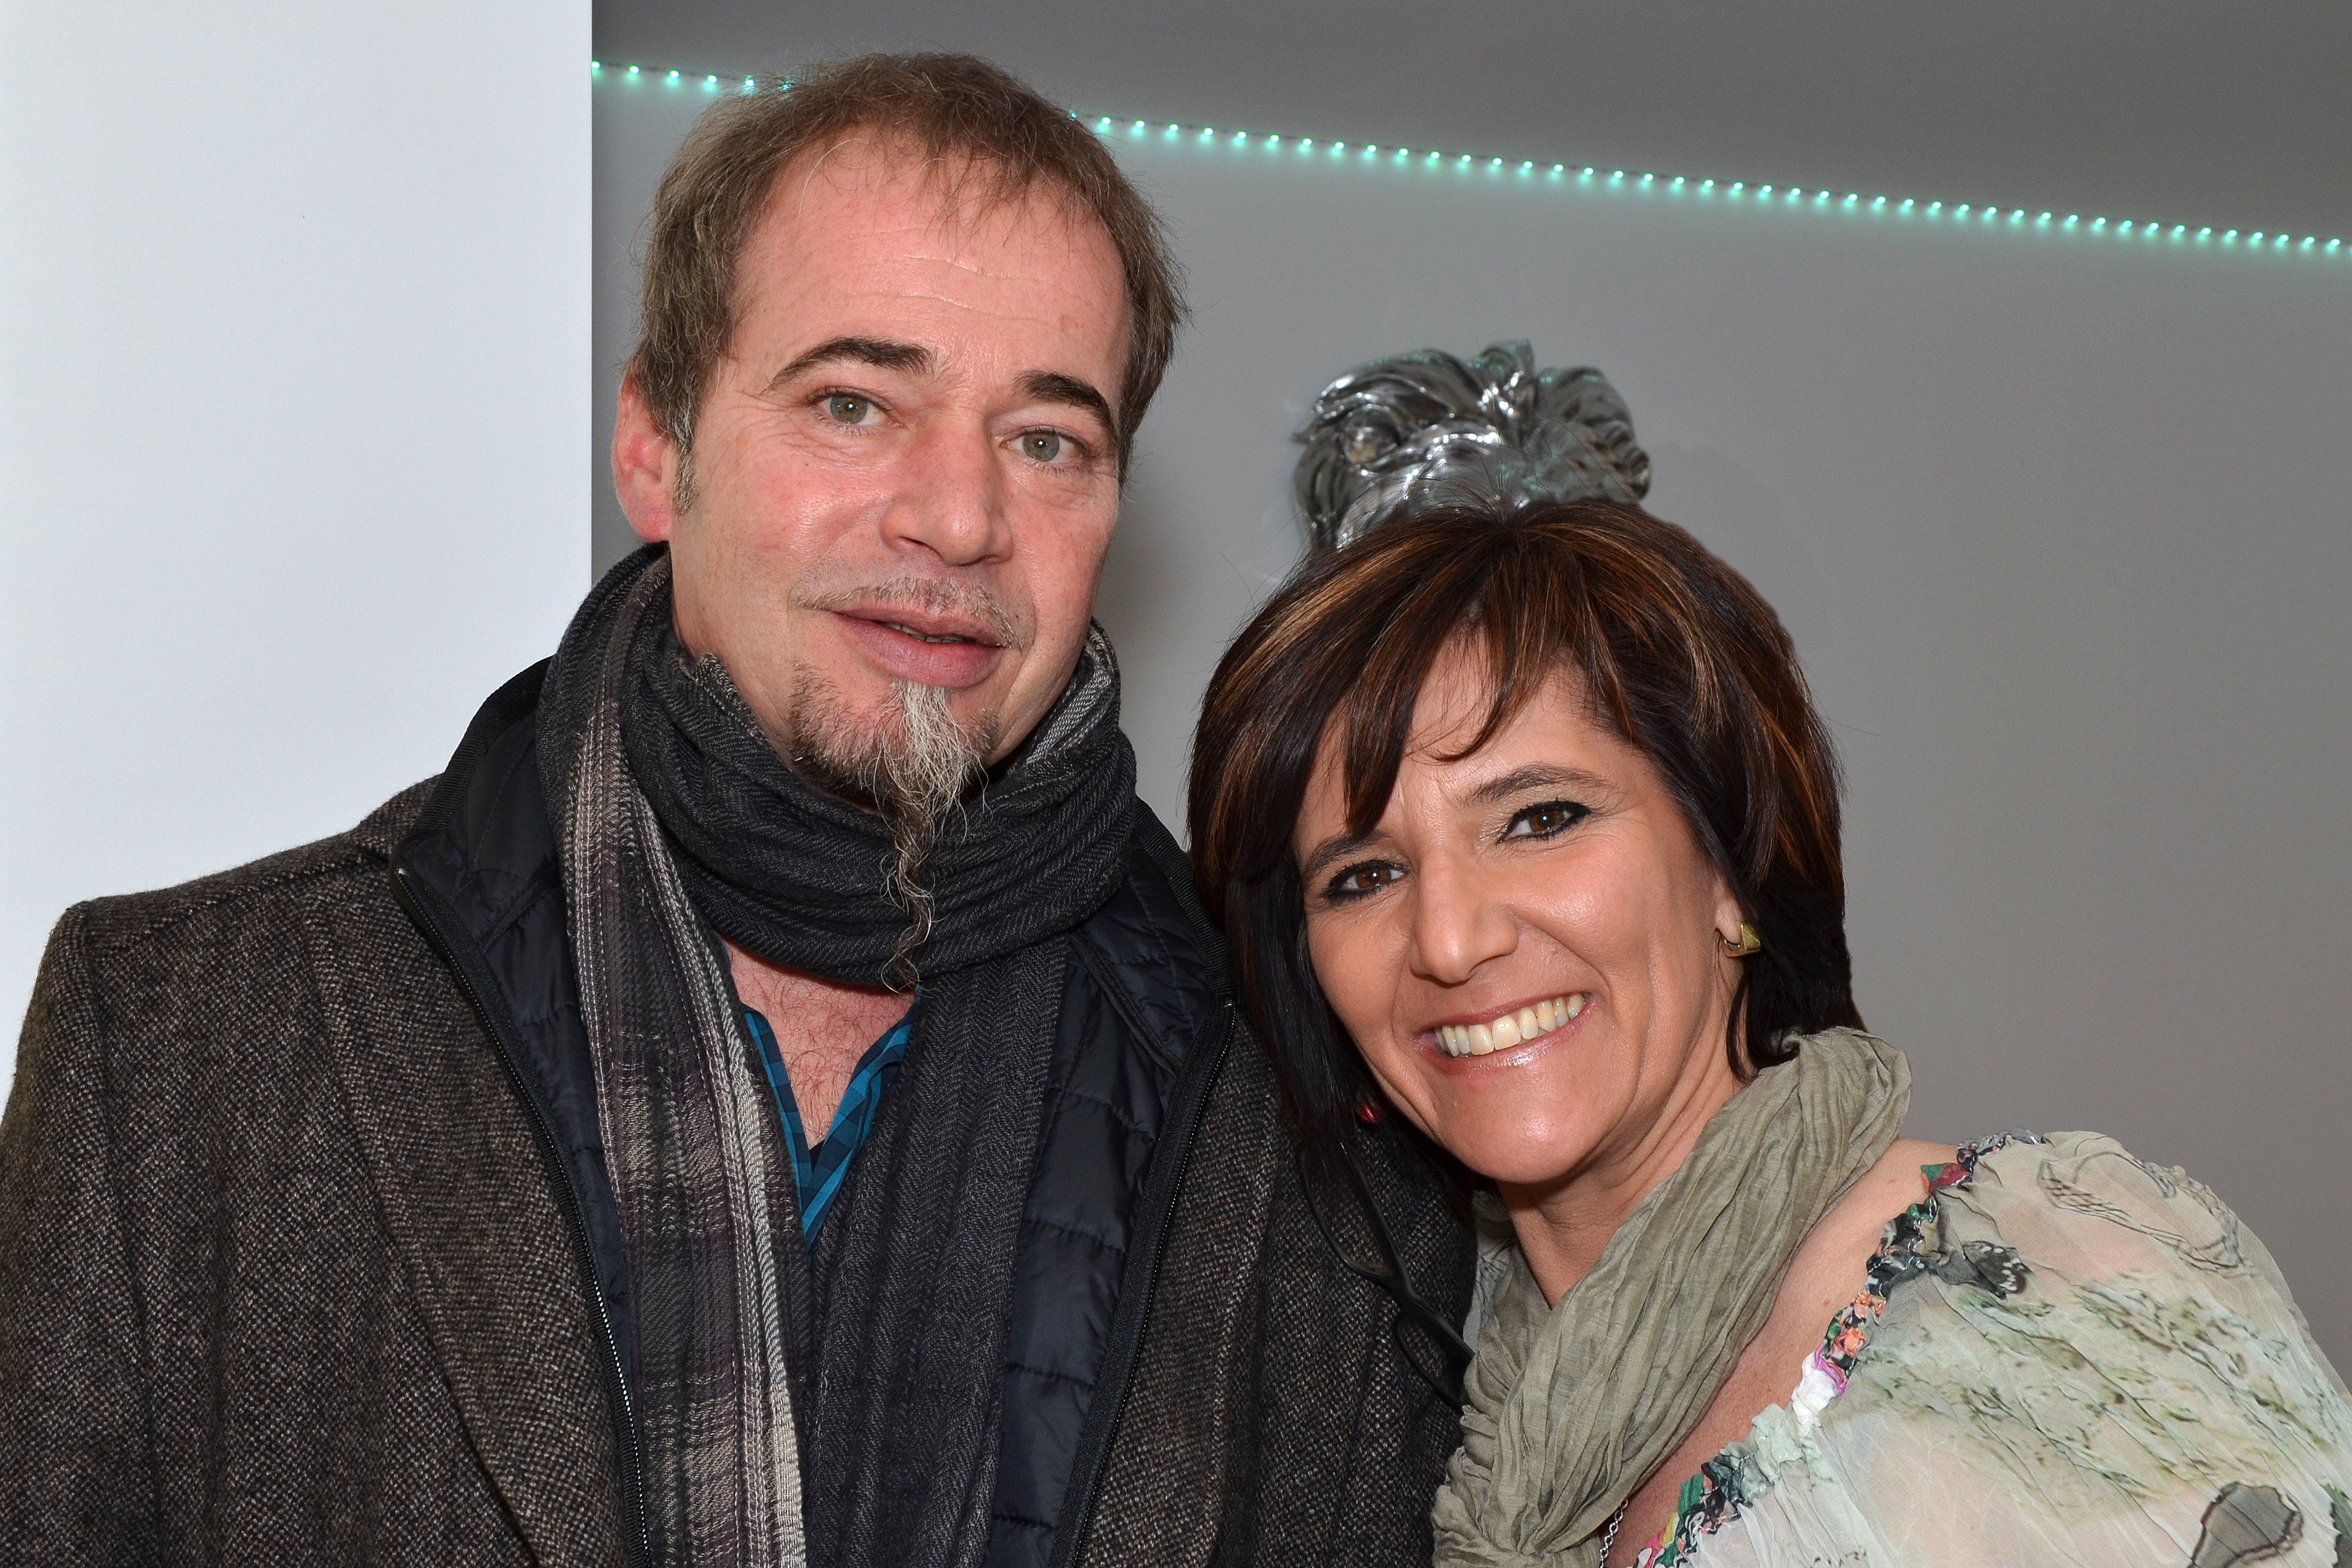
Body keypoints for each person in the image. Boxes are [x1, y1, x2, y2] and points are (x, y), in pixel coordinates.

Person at [0, 54, 1471, 1567]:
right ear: (657, 448)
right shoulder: (178, 1039)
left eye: (1047, 440)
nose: (959, 517)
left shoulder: (1316, 1120)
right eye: (854, 403)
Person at [1188, 499, 2352, 1567]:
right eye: (1363, 876)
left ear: (1729, 869)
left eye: (1541, 819)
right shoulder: (1404, 1409)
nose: (1449, 940)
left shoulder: (2047, 1286)